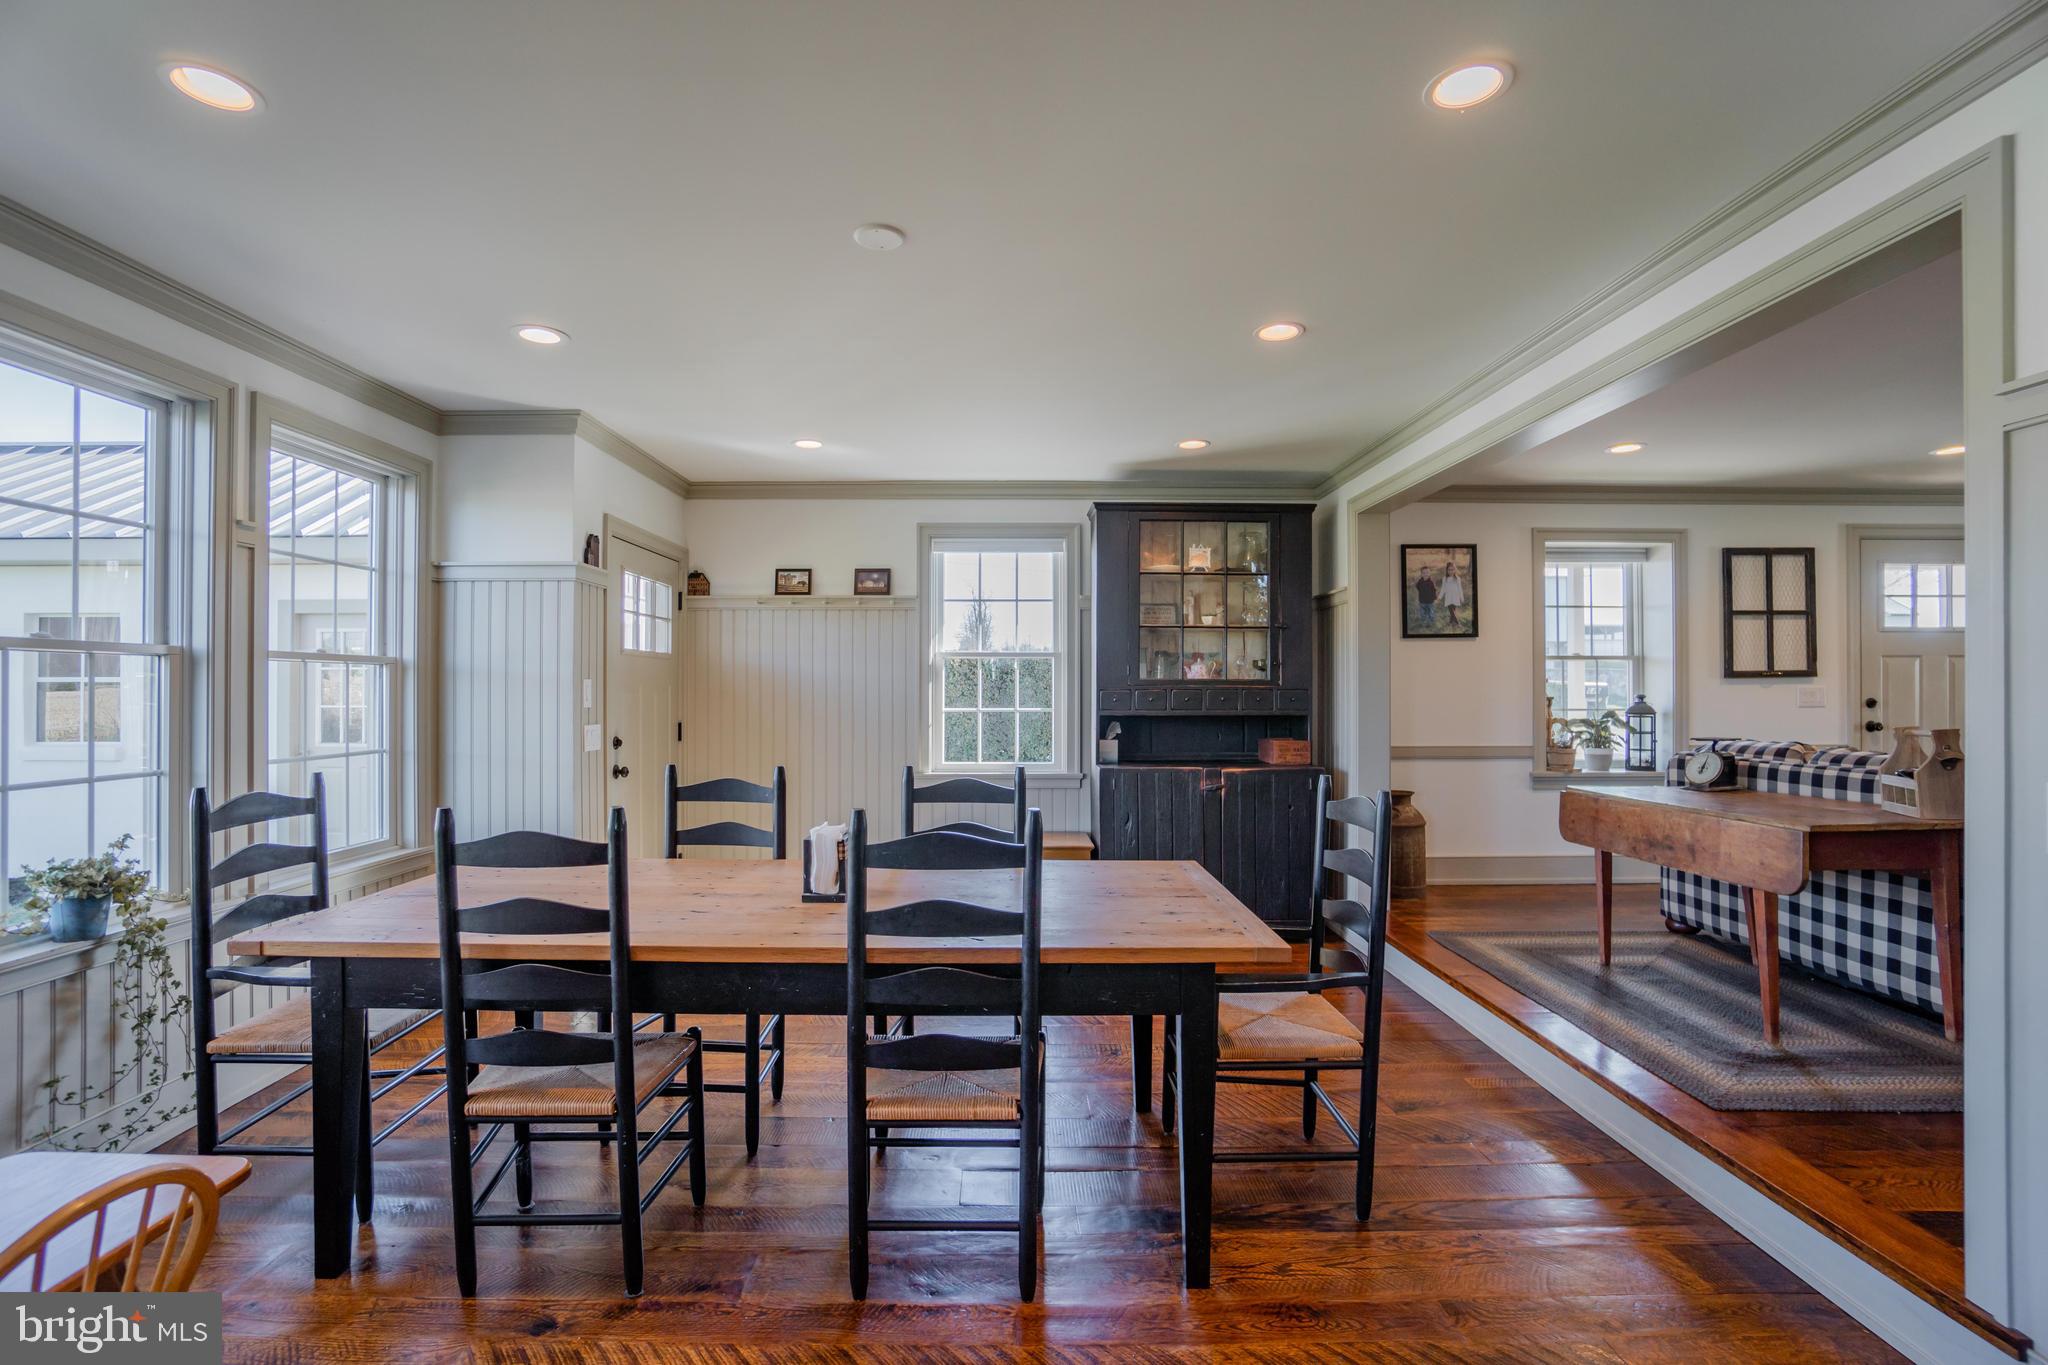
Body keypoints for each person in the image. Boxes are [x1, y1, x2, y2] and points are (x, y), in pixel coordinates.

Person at [1439, 559, 1467, 629]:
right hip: (1448, 597)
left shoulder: (1457, 579)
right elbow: (1443, 589)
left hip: (1455, 597)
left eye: (1452, 569)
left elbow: (1460, 589)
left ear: (1455, 570)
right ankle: (1458, 623)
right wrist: (1439, 597)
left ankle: (1451, 622)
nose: (1450, 571)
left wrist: (1462, 598)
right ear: (1447, 570)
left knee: (1453, 611)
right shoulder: (1445, 579)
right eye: (1449, 570)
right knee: (1451, 611)